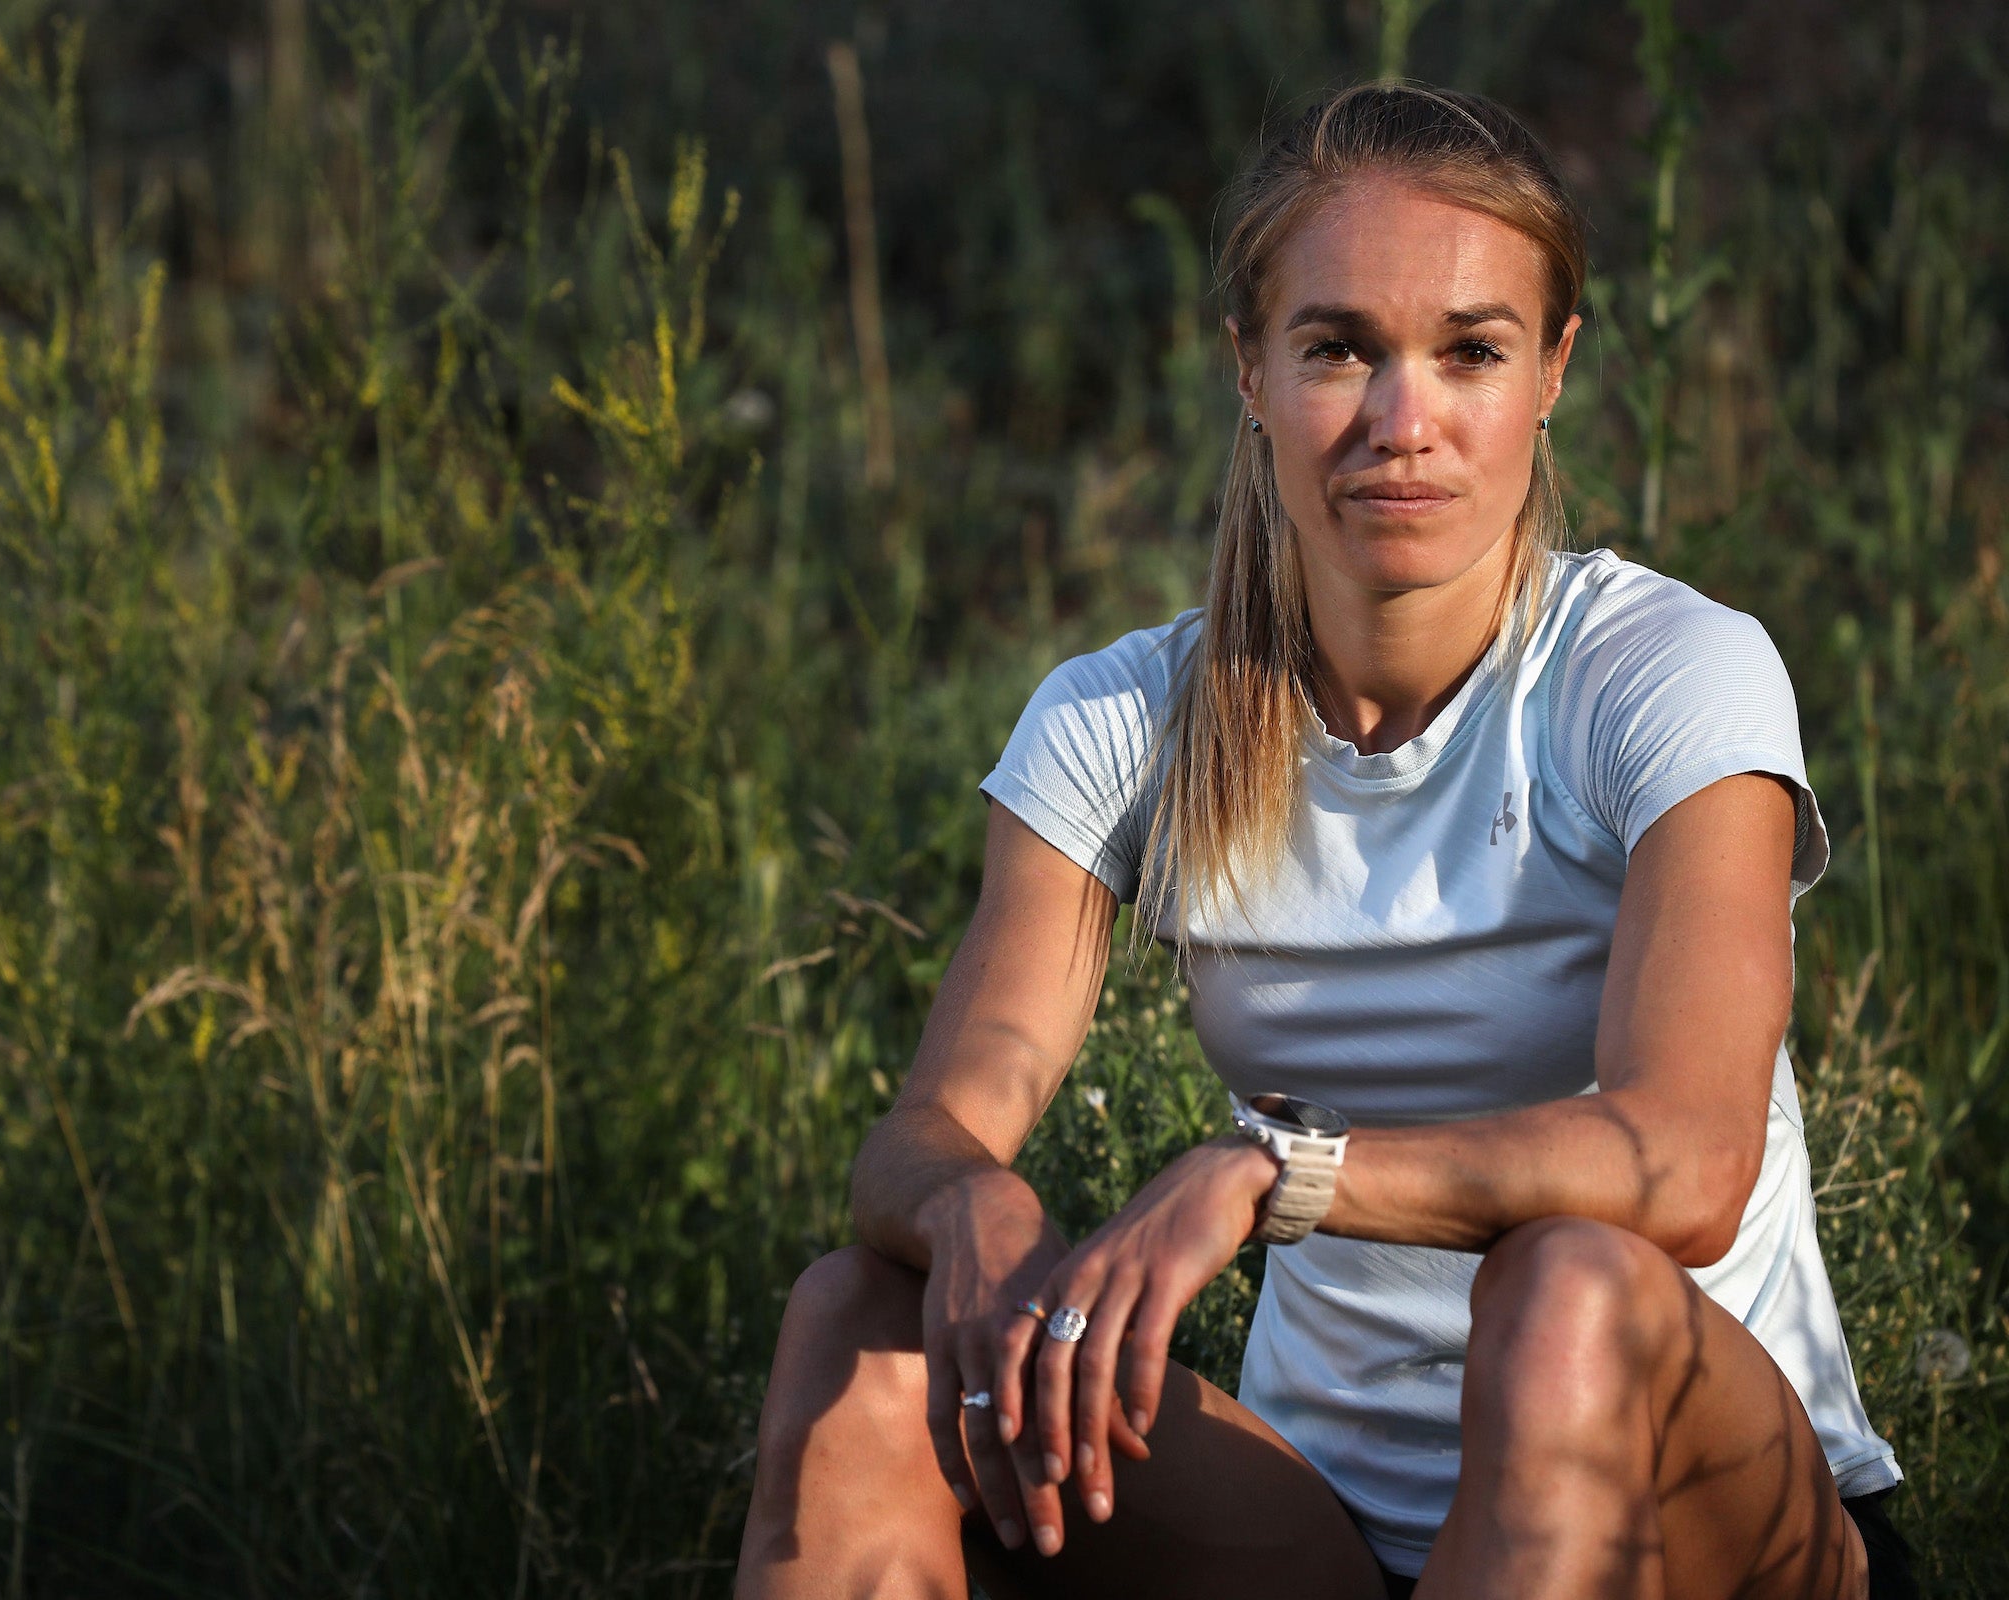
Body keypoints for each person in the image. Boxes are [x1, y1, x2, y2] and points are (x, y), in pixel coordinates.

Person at [733, 83, 1914, 1600]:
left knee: (1561, 1288)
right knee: (856, 1323)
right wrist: (972, 1201)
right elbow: (924, 1137)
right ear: (1250, 367)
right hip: (1332, 1534)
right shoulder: (1124, 718)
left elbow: (1682, 1163)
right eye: (1339, 347)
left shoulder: (1665, 671)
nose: (1401, 424)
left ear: (1554, 367)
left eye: (1471, 352)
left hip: (1710, 1515)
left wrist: (1275, 1172)